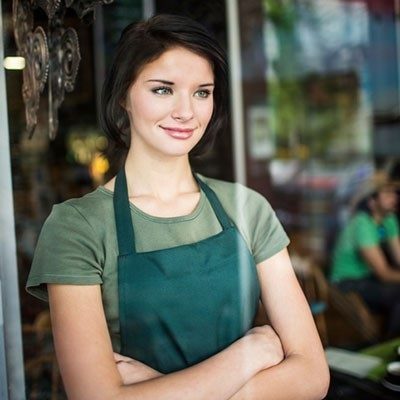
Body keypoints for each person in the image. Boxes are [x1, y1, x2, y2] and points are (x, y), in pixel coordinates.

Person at [26, 14, 329, 400]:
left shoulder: (247, 208)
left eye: (202, 92)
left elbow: (312, 376)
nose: (186, 111)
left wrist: (155, 388)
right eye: (163, 90)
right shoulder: (77, 227)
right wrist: (250, 354)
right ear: (123, 95)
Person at [330, 172, 400, 338]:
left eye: (394, 192)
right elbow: (383, 273)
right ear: (371, 200)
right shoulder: (362, 224)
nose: (394, 197)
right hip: (346, 283)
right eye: (387, 193)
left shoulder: (389, 220)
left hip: (367, 278)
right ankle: (390, 348)